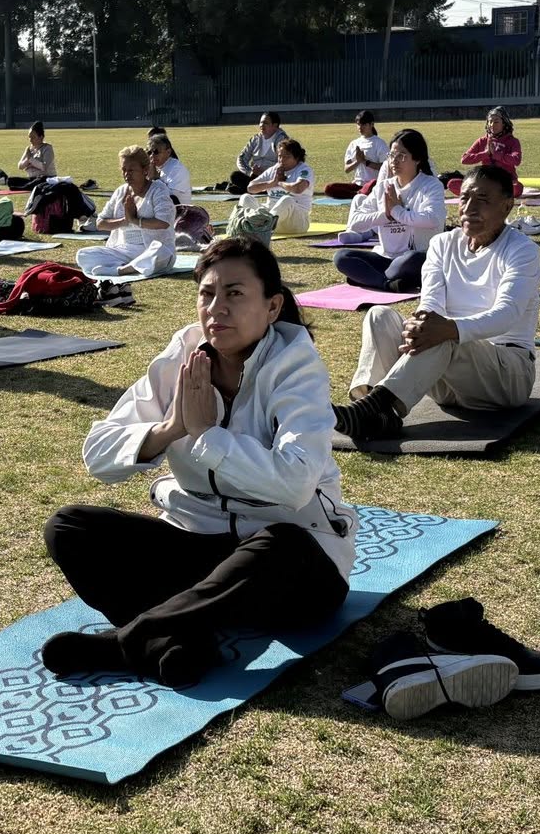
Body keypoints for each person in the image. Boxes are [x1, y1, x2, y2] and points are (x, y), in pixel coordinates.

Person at [39, 236, 356, 688]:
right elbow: (99, 455)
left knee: (284, 544)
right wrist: (171, 428)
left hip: (288, 573)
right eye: (207, 294)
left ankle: (132, 639)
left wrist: (208, 436)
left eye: (235, 293)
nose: (216, 308)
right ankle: (178, 642)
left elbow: (295, 484)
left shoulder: (296, 366)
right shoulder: (184, 355)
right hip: (198, 547)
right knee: (70, 527)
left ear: (272, 307)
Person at [336, 164, 540, 442]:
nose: (469, 208)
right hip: (443, 378)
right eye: (465, 198)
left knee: (444, 334)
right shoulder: (442, 244)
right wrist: (421, 323)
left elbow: (507, 314)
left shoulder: (522, 250)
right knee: (379, 315)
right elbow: (430, 301)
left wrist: (448, 329)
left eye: (482, 199)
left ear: (507, 206)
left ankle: (373, 407)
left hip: (507, 376)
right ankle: (373, 408)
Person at [335, 129, 446, 290]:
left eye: (402, 156)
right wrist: (386, 215)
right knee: (342, 257)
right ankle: (388, 283)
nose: (394, 161)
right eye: (392, 155)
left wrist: (396, 211)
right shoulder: (384, 186)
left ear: (417, 158)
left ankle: (370, 278)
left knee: (412, 258)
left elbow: (432, 219)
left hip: (414, 258)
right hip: (386, 258)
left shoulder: (431, 185)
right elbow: (354, 223)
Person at [77, 145, 178, 280]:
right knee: (83, 255)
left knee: (162, 252)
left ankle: (122, 270)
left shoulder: (158, 190)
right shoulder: (121, 192)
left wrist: (135, 220)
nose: (126, 174)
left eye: (131, 170)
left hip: (151, 248)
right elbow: (100, 224)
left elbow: (164, 223)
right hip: (124, 250)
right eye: (124, 170)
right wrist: (124, 220)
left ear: (145, 170)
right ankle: (133, 265)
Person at [246, 137, 315, 236]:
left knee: (287, 200)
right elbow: (250, 188)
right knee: (246, 198)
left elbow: (298, 188)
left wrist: (280, 183)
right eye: (279, 156)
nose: (282, 160)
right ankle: (254, 225)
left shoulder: (304, 170)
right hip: (274, 220)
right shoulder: (274, 169)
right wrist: (272, 183)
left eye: (286, 157)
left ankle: (263, 227)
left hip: (295, 223)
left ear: (296, 157)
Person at [229, 112, 289, 193]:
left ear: (275, 125)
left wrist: (265, 173)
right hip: (255, 177)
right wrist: (249, 172)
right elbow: (241, 158)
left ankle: (251, 189)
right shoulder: (255, 139)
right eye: (261, 122)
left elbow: (285, 162)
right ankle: (255, 189)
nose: (261, 125)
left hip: (272, 178)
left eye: (265, 123)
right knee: (235, 176)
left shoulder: (283, 141)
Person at [460, 107, 522, 183]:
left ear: (504, 123)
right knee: (454, 183)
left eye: (496, 122)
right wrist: (485, 154)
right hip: (488, 181)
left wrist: (496, 154)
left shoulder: (513, 141)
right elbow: (464, 159)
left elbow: (516, 160)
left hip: (507, 181)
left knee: (517, 187)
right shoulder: (482, 141)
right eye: (490, 121)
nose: (492, 125)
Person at [345, 110, 388, 188]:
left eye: (364, 125)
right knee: (330, 188)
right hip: (357, 183)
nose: (360, 127)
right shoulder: (354, 143)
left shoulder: (379, 143)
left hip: (373, 184)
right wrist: (357, 161)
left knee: (367, 188)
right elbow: (347, 169)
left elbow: (385, 167)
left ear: (372, 124)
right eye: (358, 124)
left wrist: (365, 162)